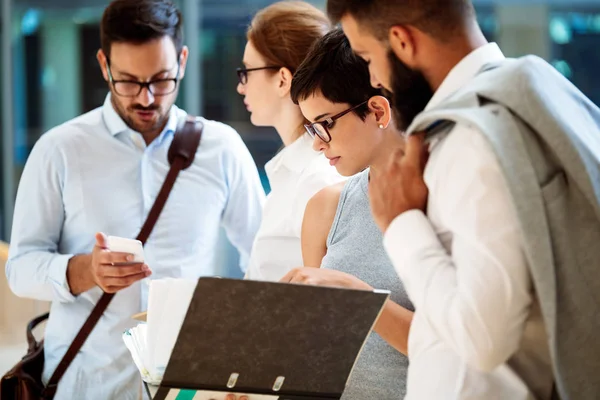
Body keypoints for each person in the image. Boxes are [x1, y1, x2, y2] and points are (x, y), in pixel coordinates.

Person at [5, 0, 265, 398]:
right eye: (128, 81)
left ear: (182, 59)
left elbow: (262, 261)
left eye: (161, 80)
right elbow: (20, 269)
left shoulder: (221, 148)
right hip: (86, 383)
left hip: (188, 385)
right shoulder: (58, 150)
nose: (146, 99)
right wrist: (85, 270)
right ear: (104, 64)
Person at [327, 0, 563, 399]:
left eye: (367, 57)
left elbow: (482, 340)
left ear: (401, 41)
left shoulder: (472, 139)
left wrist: (399, 223)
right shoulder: (540, 93)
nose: (373, 77)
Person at [282, 29, 414, 399]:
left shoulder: (448, 205)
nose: (317, 141)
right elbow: (319, 348)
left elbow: (460, 349)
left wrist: (362, 300)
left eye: (325, 123)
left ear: (377, 110)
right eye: (310, 127)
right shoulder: (326, 207)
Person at [238, 1, 344, 282]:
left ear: (283, 80)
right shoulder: (293, 173)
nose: (241, 86)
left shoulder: (315, 179)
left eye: (247, 71)